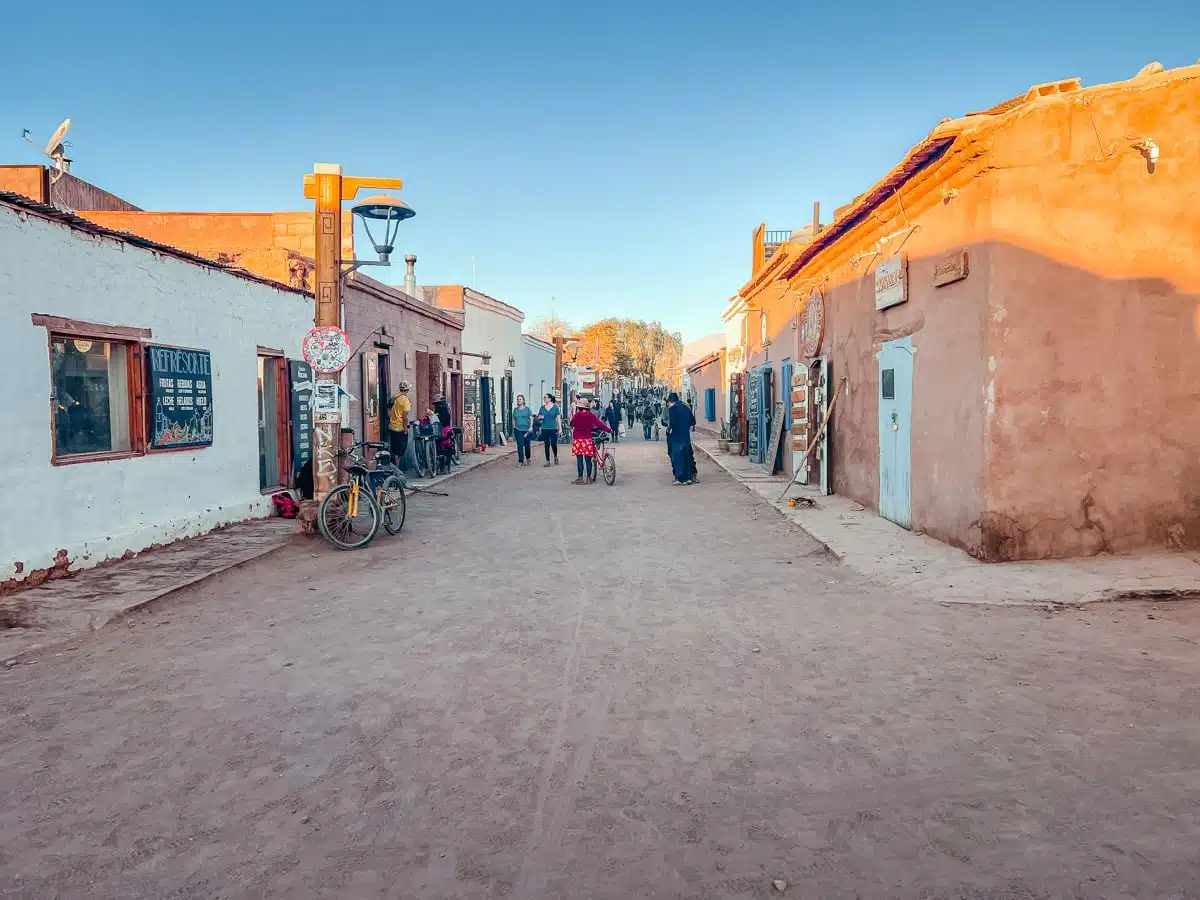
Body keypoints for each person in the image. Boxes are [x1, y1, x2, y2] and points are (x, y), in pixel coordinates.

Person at [569, 397, 611, 484]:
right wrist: (608, 430)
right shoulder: (592, 416)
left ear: (579, 407)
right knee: (588, 460)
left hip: (578, 440)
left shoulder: (577, 415)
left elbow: (571, 424)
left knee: (579, 459)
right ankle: (589, 477)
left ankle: (580, 478)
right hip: (587, 439)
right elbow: (600, 425)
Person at [666, 391, 697, 485]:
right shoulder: (686, 408)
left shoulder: (673, 409)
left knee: (677, 458)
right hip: (686, 437)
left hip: (676, 437)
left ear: (671, 401)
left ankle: (680, 478)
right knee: (687, 457)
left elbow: (673, 423)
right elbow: (693, 422)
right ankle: (688, 478)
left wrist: (669, 430)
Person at [388, 380, 412, 466]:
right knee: (399, 450)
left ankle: (393, 467)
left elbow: (389, 410)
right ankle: (397, 469)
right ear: (408, 389)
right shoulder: (405, 401)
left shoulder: (394, 397)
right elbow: (404, 417)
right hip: (400, 428)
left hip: (391, 426)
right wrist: (405, 428)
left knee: (393, 448)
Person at [537, 393, 561, 467]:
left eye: (545, 397)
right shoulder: (542, 408)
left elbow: (558, 419)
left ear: (550, 399)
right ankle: (547, 461)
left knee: (553, 444)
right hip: (545, 428)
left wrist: (560, 429)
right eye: (544, 397)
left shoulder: (555, 408)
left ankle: (555, 455)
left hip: (553, 428)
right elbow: (539, 417)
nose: (544, 399)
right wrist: (540, 417)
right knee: (546, 444)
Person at [513, 394, 534, 466]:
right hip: (518, 429)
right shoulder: (515, 410)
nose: (519, 400)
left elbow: (531, 418)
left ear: (523, 400)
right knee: (520, 445)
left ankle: (528, 458)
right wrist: (514, 426)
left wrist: (531, 427)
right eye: (518, 399)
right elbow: (513, 418)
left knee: (527, 446)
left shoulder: (527, 409)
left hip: (527, 429)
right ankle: (521, 461)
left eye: (520, 399)